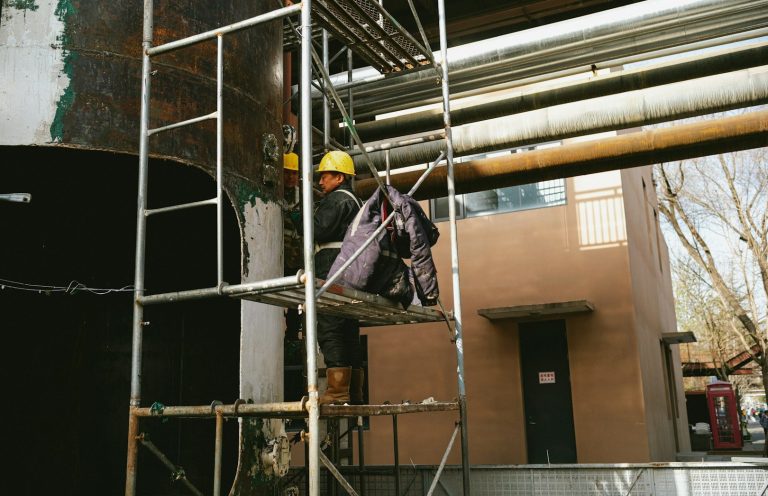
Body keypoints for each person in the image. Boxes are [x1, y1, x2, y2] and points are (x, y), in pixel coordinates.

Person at [313, 150, 363, 405]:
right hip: (350, 269)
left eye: (325, 176)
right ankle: (354, 392)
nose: (320, 182)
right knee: (349, 330)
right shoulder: (357, 202)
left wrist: (301, 218)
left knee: (330, 327)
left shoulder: (337, 200)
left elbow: (319, 229)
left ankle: (336, 392)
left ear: (340, 177)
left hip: (330, 266)